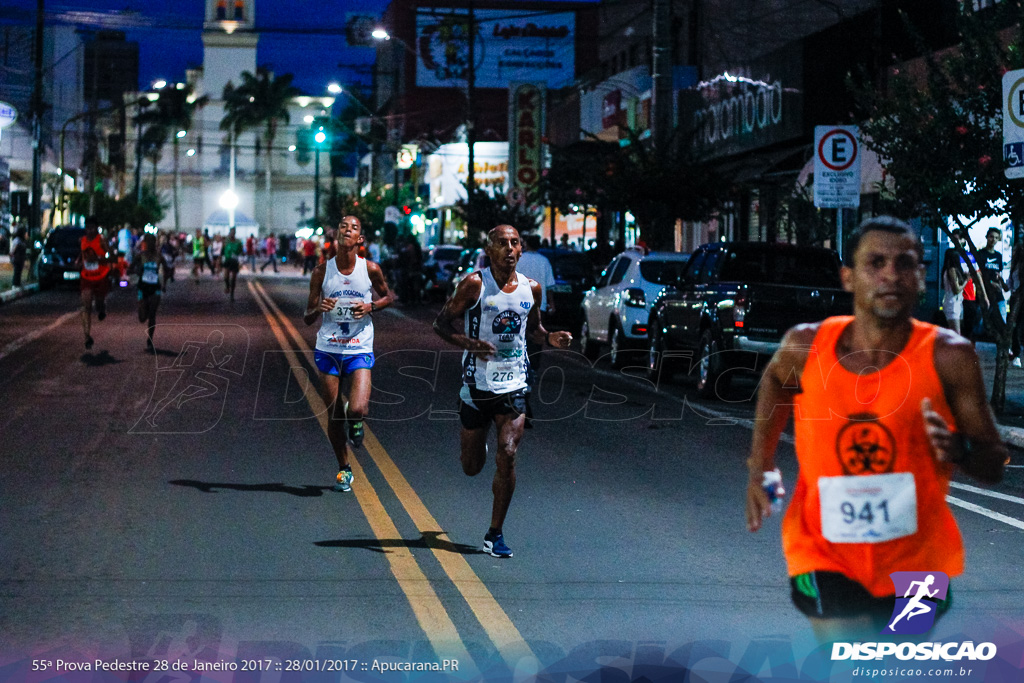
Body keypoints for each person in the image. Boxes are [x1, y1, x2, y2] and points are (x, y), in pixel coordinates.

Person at [745, 216, 1008, 643]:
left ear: (922, 278)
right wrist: (761, 466)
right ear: (847, 276)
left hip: (920, 562)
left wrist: (960, 449)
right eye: (876, 262)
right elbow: (776, 383)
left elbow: (994, 463)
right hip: (825, 553)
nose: (891, 274)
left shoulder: (949, 358)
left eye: (905, 263)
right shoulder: (805, 349)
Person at [433, 225, 572, 558]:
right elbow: (441, 324)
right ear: (489, 248)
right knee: (471, 466)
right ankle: (476, 437)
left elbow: (535, 330)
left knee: (508, 453)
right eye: (502, 243)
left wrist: (551, 339)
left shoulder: (531, 289)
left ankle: (494, 534)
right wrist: (469, 343)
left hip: (514, 383)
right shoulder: (474, 285)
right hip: (476, 384)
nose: (509, 249)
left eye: (514, 244)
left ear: (521, 250)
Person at [303, 215, 394, 493]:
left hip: (359, 346)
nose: (348, 230)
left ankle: (356, 419)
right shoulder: (321, 272)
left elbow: (389, 297)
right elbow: (307, 317)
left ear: (360, 239)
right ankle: (344, 469)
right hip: (329, 348)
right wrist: (319, 308)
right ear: (336, 235)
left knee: (356, 409)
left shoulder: (371, 269)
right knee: (333, 415)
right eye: (343, 226)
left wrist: (371, 308)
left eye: (354, 227)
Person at [514, 233, 557, 427]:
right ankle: (527, 387)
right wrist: (551, 304)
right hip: (538, 310)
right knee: (535, 350)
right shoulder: (545, 262)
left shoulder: (518, 260)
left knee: (516, 348)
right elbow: (550, 287)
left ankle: (516, 391)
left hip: (517, 309)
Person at [78, 216, 113, 350]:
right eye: (87, 228)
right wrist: (80, 263)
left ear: (96, 228)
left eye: (92, 228)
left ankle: (102, 307)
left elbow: (110, 255)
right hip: (87, 277)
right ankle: (87, 336)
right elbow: (82, 255)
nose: (90, 230)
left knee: (98, 303)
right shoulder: (82, 241)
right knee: (85, 305)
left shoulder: (101, 240)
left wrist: (98, 258)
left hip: (100, 276)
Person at [133, 233, 164, 352]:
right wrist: (137, 271)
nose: (151, 244)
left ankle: (150, 339)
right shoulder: (140, 256)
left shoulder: (159, 257)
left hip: (155, 288)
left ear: (155, 243)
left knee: (152, 314)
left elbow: (166, 268)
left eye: (153, 242)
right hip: (143, 288)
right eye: (148, 242)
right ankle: (141, 309)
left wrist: (164, 282)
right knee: (142, 318)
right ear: (145, 243)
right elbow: (131, 267)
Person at [978, 226, 1008, 329]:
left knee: (1003, 319)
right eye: (991, 237)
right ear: (987, 237)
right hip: (984, 292)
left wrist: (1000, 282)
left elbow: (998, 273)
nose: (993, 240)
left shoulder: (999, 256)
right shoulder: (981, 254)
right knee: (980, 323)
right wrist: (990, 282)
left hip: (997, 293)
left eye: (996, 238)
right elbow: (978, 275)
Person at [941, 244, 966, 334]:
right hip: (953, 304)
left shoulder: (946, 270)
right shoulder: (952, 270)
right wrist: (966, 281)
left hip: (954, 302)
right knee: (956, 334)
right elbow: (956, 290)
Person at [222, 228, 243, 301]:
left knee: (233, 278)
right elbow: (222, 250)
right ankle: (227, 286)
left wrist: (241, 262)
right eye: (231, 232)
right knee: (226, 276)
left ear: (235, 233)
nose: (232, 234)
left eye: (233, 233)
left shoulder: (238, 242)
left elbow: (241, 252)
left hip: (234, 261)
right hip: (227, 260)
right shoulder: (226, 241)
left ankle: (232, 294)